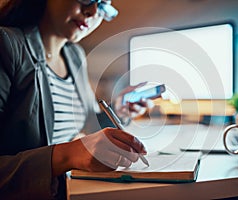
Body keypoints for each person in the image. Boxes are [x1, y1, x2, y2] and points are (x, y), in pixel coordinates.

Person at [0, 0, 151, 199]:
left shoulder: (75, 56)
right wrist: (67, 155)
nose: (93, 11)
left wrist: (119, 111)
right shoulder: (6, 45)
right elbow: (75, 150)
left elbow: (88, 124)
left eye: (103, 6)